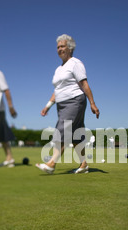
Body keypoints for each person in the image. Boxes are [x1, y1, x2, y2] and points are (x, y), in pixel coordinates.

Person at [36, 34, 100, 174]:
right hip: (62, 104)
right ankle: (84, 164)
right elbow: (57, 90)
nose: (59, 49)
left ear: (70, 48)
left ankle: (51, 164)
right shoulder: (58, 69)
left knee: (62, 131)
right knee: (76, 136)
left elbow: (84, 84)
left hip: (75, 101)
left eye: (62, 46)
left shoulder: (75, 63)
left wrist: (92, 103)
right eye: (58, 47)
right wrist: (47, 106)